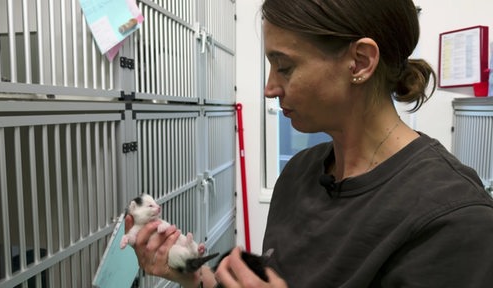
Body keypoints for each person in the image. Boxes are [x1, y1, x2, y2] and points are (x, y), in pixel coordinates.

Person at [126, 0, 493, 287]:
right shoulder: (301, 171)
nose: (270, 88)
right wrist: (194, 276)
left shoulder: (454, 218)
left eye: (284, 66)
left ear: (360, 62)